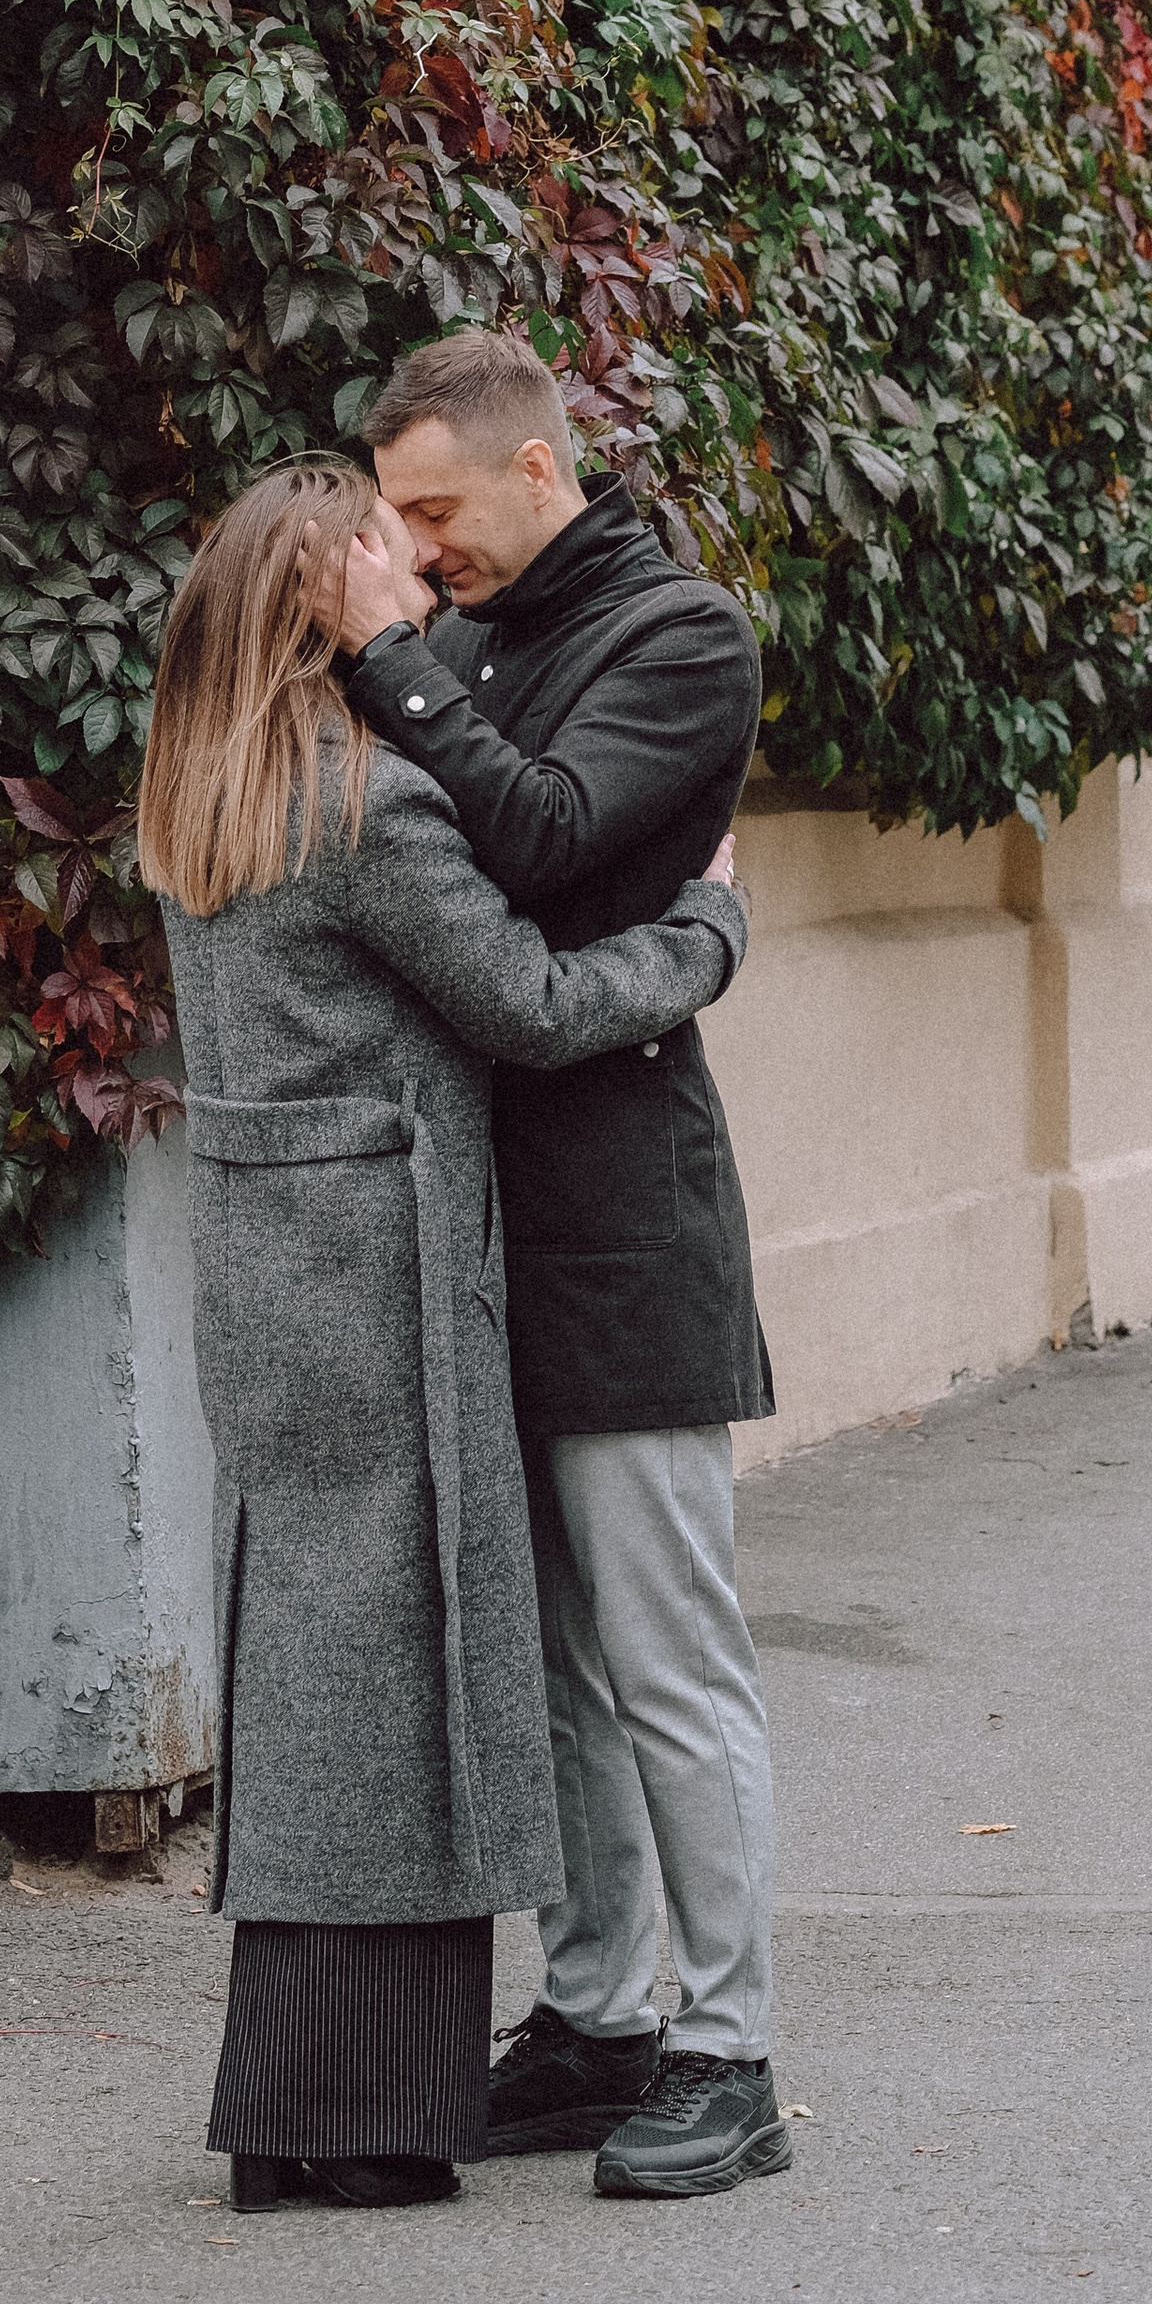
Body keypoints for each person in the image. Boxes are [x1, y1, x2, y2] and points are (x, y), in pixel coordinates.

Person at [138, 454, 749, 2215]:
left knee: (320, 1653)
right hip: (385, 1269)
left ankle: (326, 2097)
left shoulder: (200, 796)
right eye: (379, 571)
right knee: (401, 1672)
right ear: (321, 610)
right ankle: (363, 2109)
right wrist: (705, 927)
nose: (417, 589)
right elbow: (538, 1004)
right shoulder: (365, 809)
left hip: (271, 1270)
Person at [333, 328, 788, 2201]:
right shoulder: (475, 635)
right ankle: (600, 2019)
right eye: (396, 526)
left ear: (539, 471)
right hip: (479, 1222)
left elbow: (530, 851)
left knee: (673, 1659)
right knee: (563, 1674)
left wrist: (385, 660)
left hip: (624, 1223)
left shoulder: (683, 641)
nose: (415, 554)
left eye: (436, 513)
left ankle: (732, 2051)